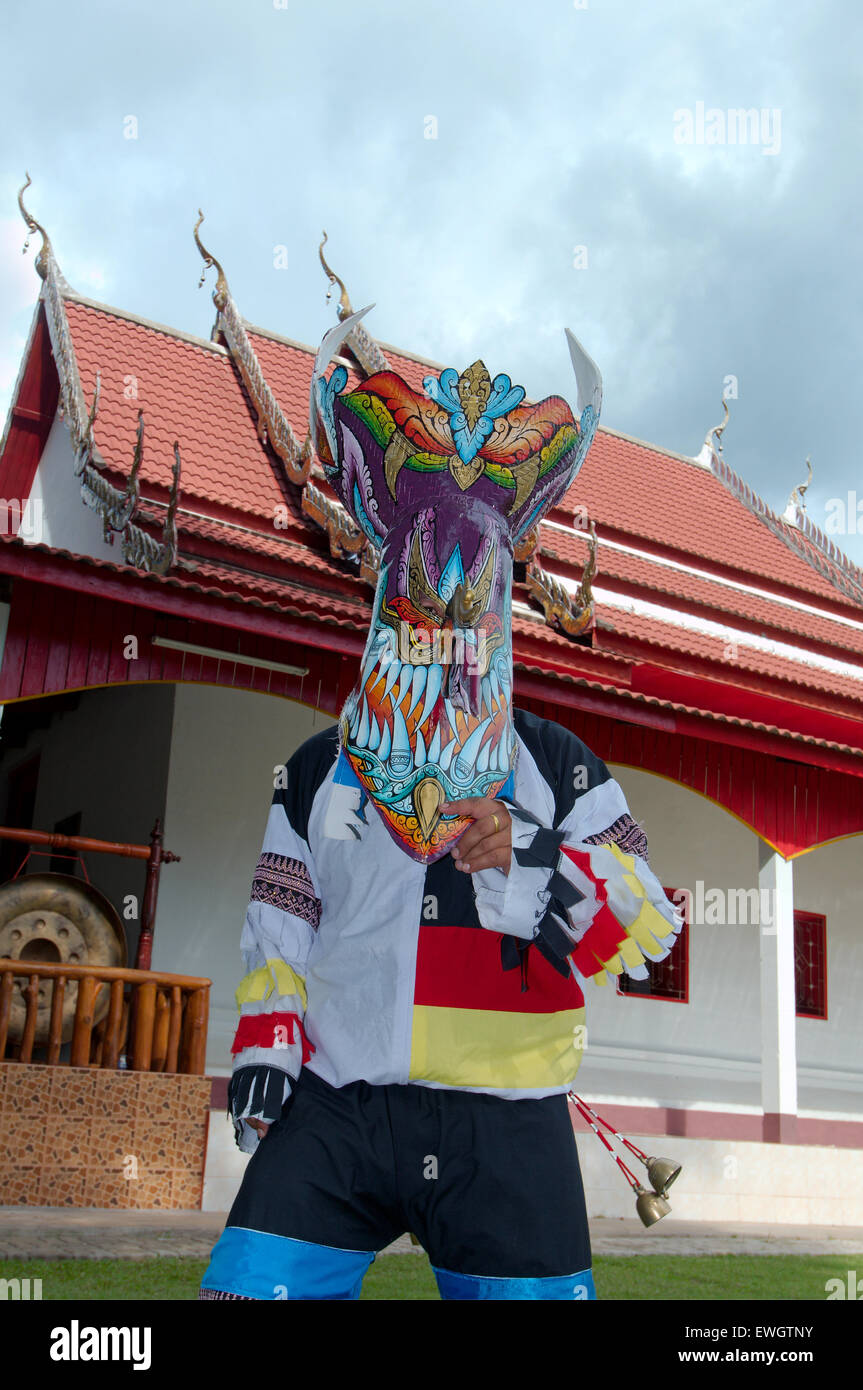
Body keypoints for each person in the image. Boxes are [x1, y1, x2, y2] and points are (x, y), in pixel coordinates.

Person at [199, 318, 682, 1300]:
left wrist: (532, 852)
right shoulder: (313, 771)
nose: (445, 616)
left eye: (473, 590)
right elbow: (280, 917)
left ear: (506, 597)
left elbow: (651, 921)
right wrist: (266, 1040)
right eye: (420, 590)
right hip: (338, 1102)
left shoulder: (560, 767)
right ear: (383, 589)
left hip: (506, 1118)